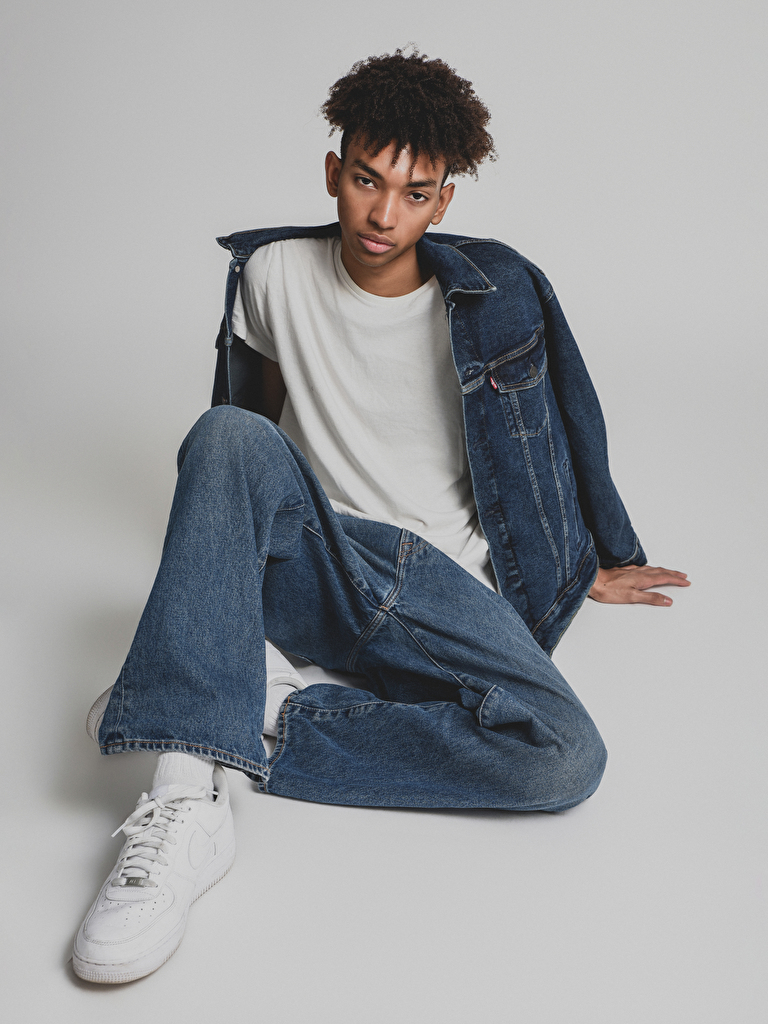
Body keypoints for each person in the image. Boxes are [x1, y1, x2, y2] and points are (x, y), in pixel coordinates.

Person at [72, 49, 689, 984]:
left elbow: (571, 415)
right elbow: (248, 438)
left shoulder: (497, 290)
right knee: (224, 434)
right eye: (367, 179)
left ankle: (241, 716)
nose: (384, 214)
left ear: (444, 202)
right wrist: (229, 556)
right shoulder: (271, 274)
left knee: (565, 757)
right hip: (321, 554)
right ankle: (187, 803)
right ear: (334, 171)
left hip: (442, 585)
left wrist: (593, 557)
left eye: (415, 193)